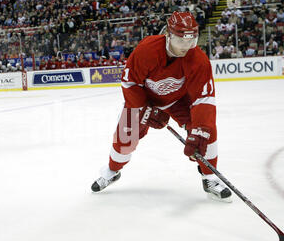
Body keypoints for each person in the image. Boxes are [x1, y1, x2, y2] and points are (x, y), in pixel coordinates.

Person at [91, 12, 232, 202]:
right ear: (169, 35)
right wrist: (144, 109)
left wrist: (199, 130)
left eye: (191, 41)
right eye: (181, 41)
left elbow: (203, 98)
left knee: (205, 132)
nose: (186, 47)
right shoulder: (147, 50)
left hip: (179, 101)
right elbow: (129, 83)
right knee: (125, 135)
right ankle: (112, 170)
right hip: (144, 100)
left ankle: (210, 178)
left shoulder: (198, 59)